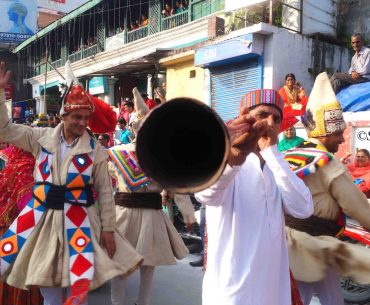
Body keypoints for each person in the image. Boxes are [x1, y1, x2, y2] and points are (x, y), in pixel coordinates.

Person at [0, 61, 143, 305]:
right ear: (63, 115)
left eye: (86, 118)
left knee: (79, 285)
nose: (82, 123)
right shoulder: (40, 138)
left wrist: (108, 229)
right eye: (77, 117)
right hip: (44, 221)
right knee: (49, 288)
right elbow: (4, 129)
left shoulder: (95, 150)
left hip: (81, 222)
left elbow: (105, 193)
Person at [195, 89, 314, 305]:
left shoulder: (278, 165)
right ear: (245, 120)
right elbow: (205, 194)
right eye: (262, 115)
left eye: (276, 118)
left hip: (273, 290)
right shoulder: (224, 158)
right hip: (231, 291)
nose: (269, 122)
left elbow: (304, 208)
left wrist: (272, 154)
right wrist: (235, 157)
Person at [284, 72, 370, 305]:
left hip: (289, 241)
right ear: (323, 131)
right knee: (319, 298)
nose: (342, 140)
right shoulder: (326, 161)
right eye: (338, 134)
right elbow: (358, 206)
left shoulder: (290, 153)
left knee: (304, 296)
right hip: (314, 243)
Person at [108, 88, 190, 305]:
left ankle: (129, 302)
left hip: (128, 214)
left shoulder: (119, 153)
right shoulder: (160, 156)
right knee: (140, 264)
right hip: (141, 214)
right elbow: (176, 185)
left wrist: (188, 213)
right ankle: (136, 302)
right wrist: (188, 215)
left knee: (126, 262)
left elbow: (103, 175)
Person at [0, 145, 43, 305]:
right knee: (20, 276)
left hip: (5, 229)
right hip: (20, 230)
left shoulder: (10, 166)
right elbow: (26, 206)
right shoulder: (27, 168)